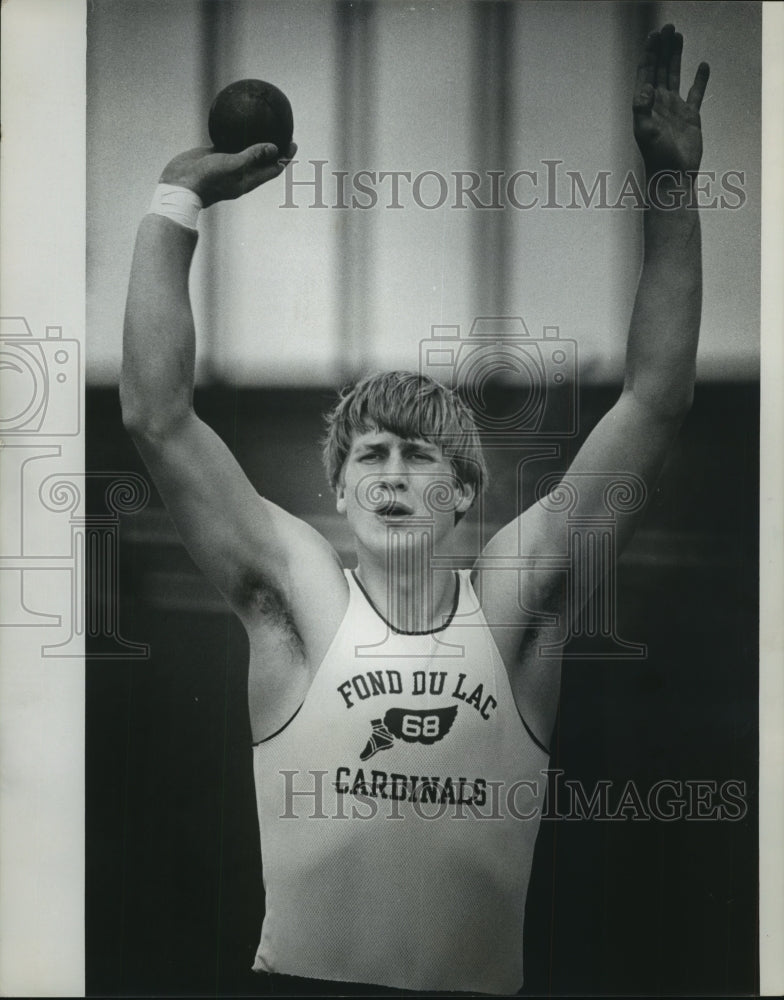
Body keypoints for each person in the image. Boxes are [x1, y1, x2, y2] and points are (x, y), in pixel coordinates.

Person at [121, 24, 709, 997]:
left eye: (418, 456)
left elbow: (654, 399)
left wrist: (672, 190)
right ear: (341, 492)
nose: (391, 473)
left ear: (465, 491)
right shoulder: (300, 596)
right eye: (370, 457)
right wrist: (176, 194)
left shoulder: (517, 604)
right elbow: (154, 413)